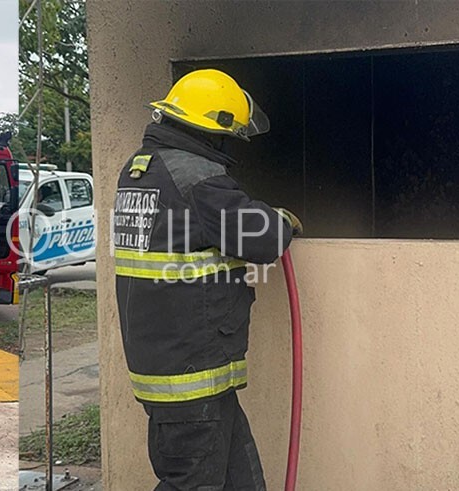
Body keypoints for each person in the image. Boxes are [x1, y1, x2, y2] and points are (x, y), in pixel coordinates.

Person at [113, 69, 303, 490]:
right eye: (229, 136)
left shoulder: (139, 171)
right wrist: (281, 221)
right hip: (190, 382)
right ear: (212, 130)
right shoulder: (194, 178)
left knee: (242, 482)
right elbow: (264, 238)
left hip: (180, 374)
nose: (229, 145)